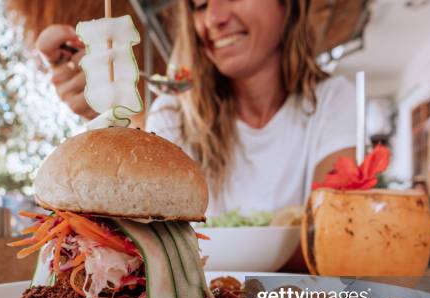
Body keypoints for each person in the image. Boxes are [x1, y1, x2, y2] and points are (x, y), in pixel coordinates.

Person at [35, 0, 356, 216]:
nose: (214, 18)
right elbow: (138, 205)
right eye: (199, 4)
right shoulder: (174, 113)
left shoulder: (333, 99)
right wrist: (103, 110)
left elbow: (330, 227)